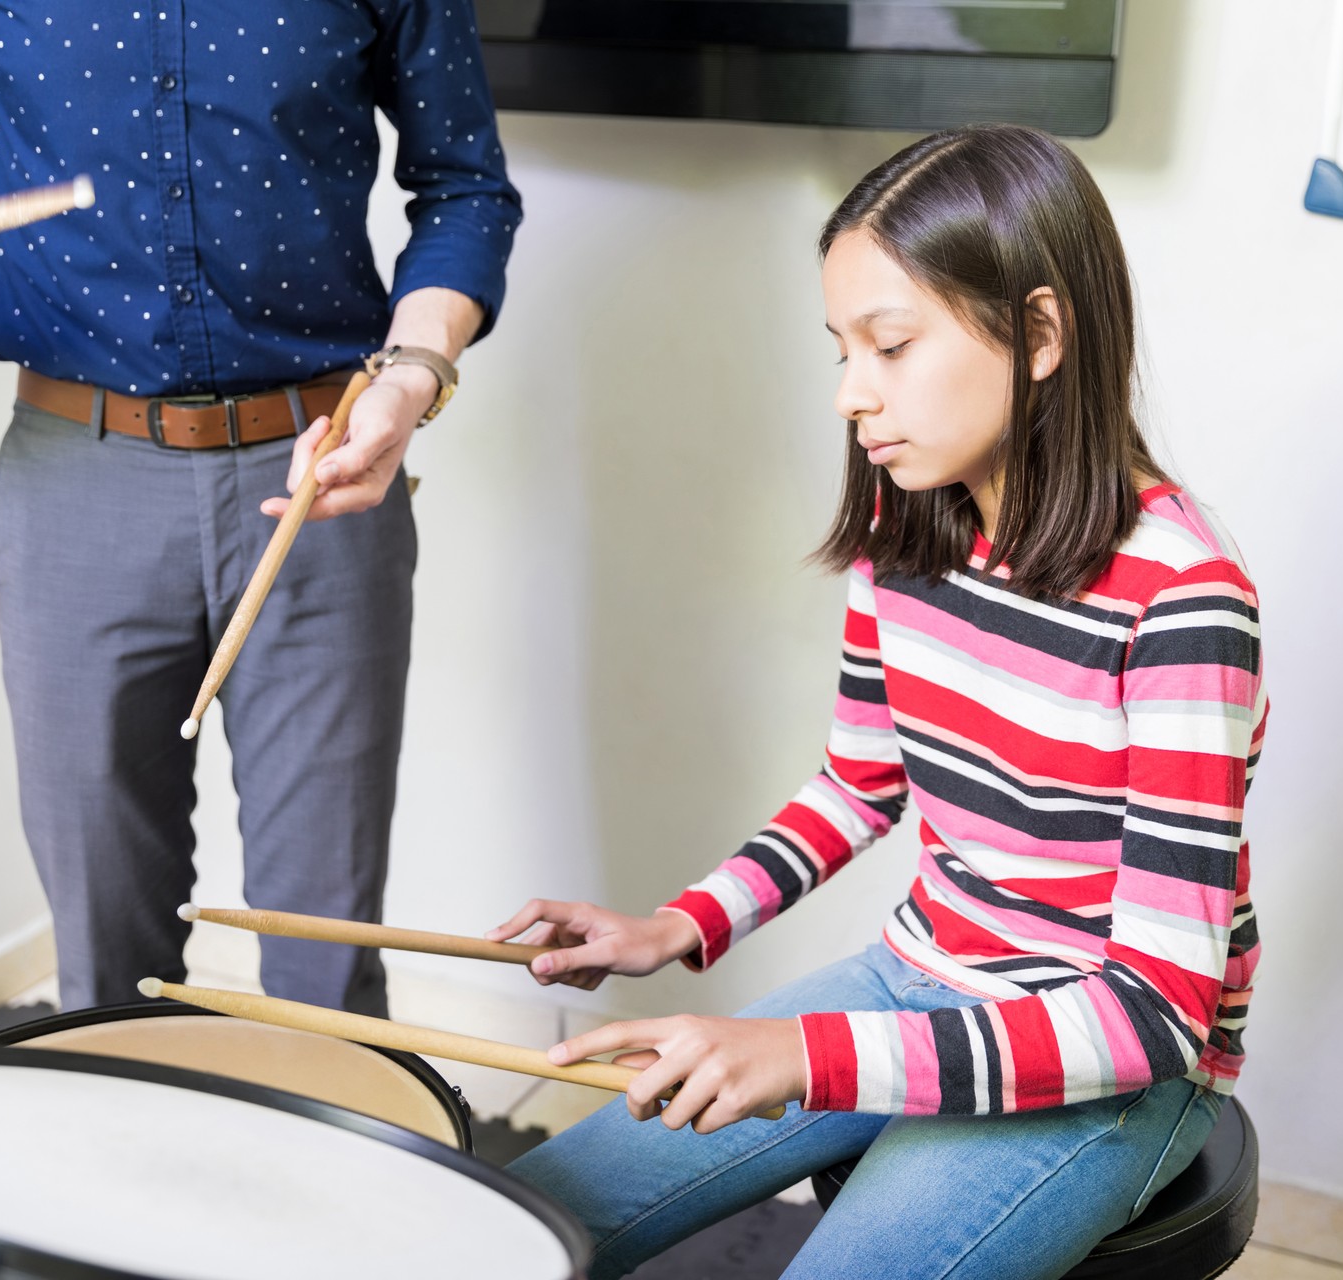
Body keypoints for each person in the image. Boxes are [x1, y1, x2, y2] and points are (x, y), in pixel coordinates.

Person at [484, 124, 1265, 1280]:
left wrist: (806, 1053)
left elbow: (1149, 1010)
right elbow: (862, 782)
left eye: (891, 346)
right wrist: (676, 924)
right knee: (518, 1218)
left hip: (1111, 1064)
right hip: (920, 971)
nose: (854, 394)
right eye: (841, 349)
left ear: (1040, 334)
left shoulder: (1185, 601)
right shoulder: (912, 529)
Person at [0, 2, 521, 1014]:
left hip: (323, 476)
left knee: (328, 964)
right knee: (107, 965)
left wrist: (414, 371)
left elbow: (467, 189)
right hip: (76, 483)